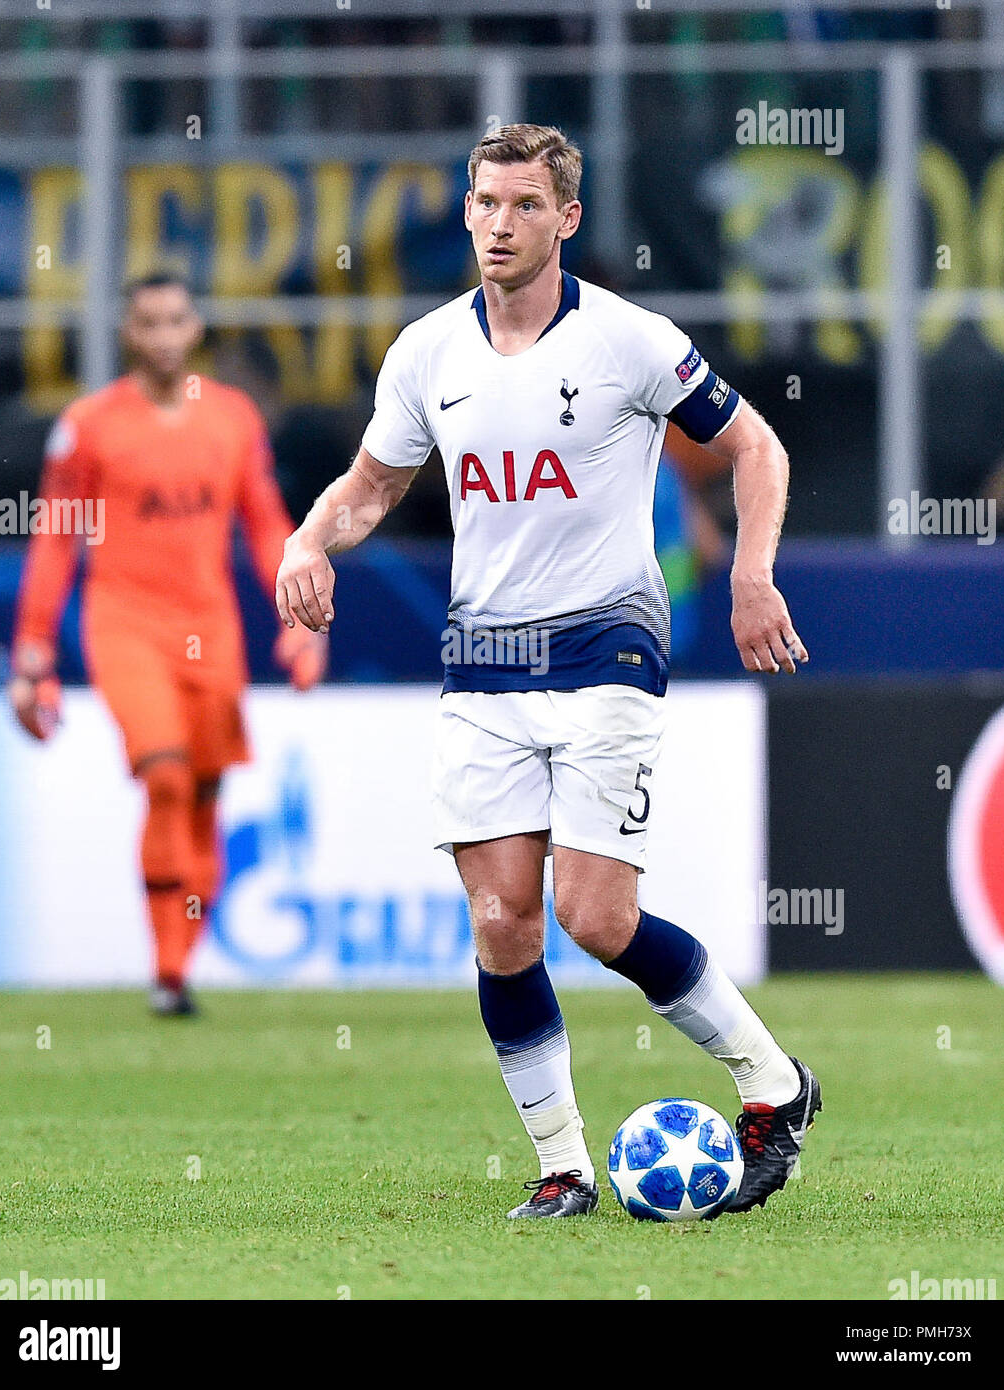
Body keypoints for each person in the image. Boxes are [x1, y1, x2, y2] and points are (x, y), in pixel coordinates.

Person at [276, 125, 819, 1217]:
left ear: (564, 219)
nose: (496, 224)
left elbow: (755, 443)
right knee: (501, 924)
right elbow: (370, 487)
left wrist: (750, 573)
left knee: (594, 914)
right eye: (483, 203)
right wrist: (305, 540)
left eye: (523, 205)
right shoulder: (427, 350)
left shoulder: (629, 341)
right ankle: (563, 1168)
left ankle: (773, 1085)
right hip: (480, 663)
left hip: (605, 646)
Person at [11, 274, 326, 1016]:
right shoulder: (88, 426)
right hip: (122, 625)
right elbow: (57, 538)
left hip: (208, 631)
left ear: (195, 329)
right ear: (128, 332)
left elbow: (263, 522)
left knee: (207, 793)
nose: (162, 335)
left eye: (175, 320)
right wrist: (32, 650)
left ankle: (178, 964)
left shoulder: (232, 419)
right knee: (165, 777)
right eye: (147, 322)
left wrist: (299, 620)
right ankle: (166, 972)